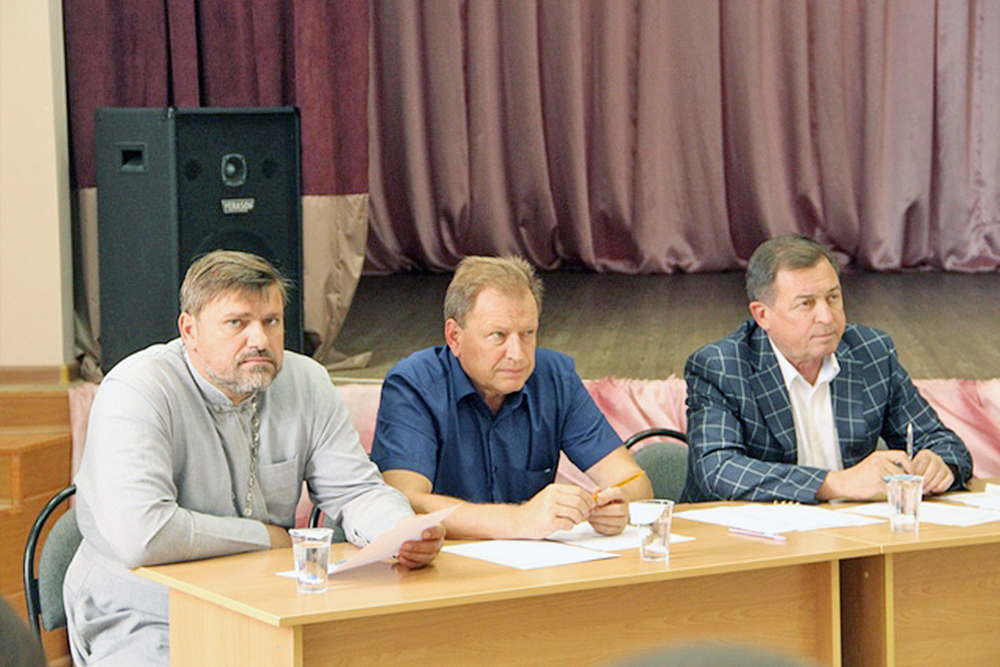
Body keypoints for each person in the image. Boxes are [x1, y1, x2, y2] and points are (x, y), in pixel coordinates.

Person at [64, 251, 444, 666]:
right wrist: (267, 538)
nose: (260, 339)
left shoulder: (306, 382)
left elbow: (356, 491)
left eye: (271, 321)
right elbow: (144, 536)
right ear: (189, 330)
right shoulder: (137, 390)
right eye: (237, 323)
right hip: (147, 609)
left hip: (270, 606)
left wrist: (400, 530)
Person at [370, 255, 652, 540]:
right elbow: (403, 502)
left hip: (534, 562)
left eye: (527, 333)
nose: (517, 354)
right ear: (454, 337)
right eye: (498, 335)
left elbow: (634, 480)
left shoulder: (555, 378)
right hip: (445, 559)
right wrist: (518, 520)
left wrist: (620, 505)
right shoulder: (413, 385)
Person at [682, 235, 972, 503]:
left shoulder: (871, 353)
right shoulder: (722, 367)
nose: (826, 316)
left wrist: (940, 464)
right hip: (750, 535)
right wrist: (836, 483)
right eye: (805, 304)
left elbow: (942, 442)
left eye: (833, 298)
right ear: (762, 315)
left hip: (853, 531)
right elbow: (718, 469)